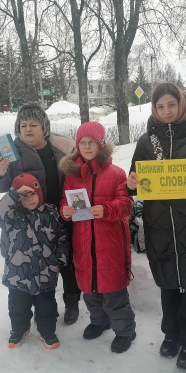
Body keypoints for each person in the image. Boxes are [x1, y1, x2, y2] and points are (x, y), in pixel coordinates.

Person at [126, 83, 186, 369]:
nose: (166, 111)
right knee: (168, 284)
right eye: (160, 106)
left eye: (171, 104)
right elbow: (134, 182)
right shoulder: (146, 142)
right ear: (154, 109)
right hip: (159, 225)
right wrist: (131, 183)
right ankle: (171, 334)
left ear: (182, 104)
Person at [0, 102, 81, 325]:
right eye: (23, 125)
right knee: (33, 266)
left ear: (44, 127)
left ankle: (72, 302)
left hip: (60, 217)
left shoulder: (60, 150)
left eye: (33, 124)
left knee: (67, 262)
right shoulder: (10, 154)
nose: (28, 129)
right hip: (27, 223)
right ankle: (33, 311)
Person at [59, 121, 137, 353]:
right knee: (90, 291)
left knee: (114, 293)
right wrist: (65, 210)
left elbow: (126, 204)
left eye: (91, 142)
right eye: (82, 142)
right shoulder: (72, 176)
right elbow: (65, 201)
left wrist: (107, 209)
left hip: (110, 244)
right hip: (83, 243)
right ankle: (99, 321)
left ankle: (125, 331)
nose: (86, 146)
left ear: (100, 144)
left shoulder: (116, 173)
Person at [0, 174, 69, 349]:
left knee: (47, 307)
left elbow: (62, 237)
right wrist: (14, 194)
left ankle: (47, 331)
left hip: (45, 272)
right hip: (18, 275)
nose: (30, 199)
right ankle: (19, 330)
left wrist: (59, 259)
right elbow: (0, 212)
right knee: (18, 307)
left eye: (33, 194)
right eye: (24, 196)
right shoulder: (12, 216)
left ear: (39, 192)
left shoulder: (51, 213)